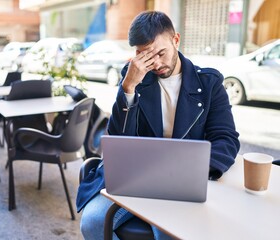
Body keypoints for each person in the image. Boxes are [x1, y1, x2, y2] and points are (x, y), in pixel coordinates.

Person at [77, 10, 240, 240]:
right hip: (134, 178)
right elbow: (118, 140)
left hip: (183, 183)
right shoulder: (134, 77)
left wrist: (197, 171)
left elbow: (226, 138)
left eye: (161, 53)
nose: (156, 63)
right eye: (146, 56)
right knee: (92, 223)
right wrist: (128, 89)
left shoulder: (209, 83)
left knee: (170, 234)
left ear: (176, 40)